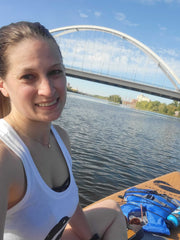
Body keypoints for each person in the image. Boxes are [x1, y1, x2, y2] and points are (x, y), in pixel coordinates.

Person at [0, 21, 128, 240]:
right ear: (2, 85)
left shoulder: (60, 138)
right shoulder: (5, 158)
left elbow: (68, 203)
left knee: (113, 210)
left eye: (55, 72)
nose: (48, 90)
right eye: (28, 76)